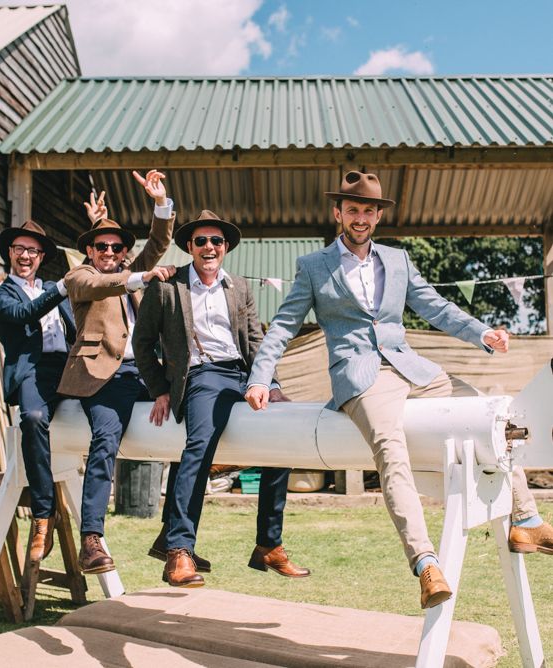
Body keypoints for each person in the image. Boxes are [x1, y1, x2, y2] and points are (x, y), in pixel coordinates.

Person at [245, 171, 553, 609]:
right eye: (353, 209)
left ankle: (527, 520)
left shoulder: (398, 259)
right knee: (391, 451)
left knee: (490, 415)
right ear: (338, 212)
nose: (361, 217)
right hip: (360, 377)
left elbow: (436, 307)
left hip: (413, 368)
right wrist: (260, 376)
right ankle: (425, 562)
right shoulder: (313, 266)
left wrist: (482, 332)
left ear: (377, 215)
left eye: (368, 210)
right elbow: (282, 326)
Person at [133, 210, 310, 587]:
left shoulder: (240, 286)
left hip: (243, 375)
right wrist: (159, 389)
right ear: (190, 247)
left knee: (285, 435)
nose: (209, 247)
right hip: (202, 375)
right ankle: (178, 550)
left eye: (216, 241)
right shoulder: (167, 286)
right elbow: (142, 344)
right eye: (201, 241)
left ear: (225, 247)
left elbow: (254, 340)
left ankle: (269, 544)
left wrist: (269, 381)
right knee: (198, 447)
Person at [58, 169, 177, 575]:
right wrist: (142, 275)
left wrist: (161, 202)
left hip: (145, 375)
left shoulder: (129, 270)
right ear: (89, 252)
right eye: (101, 246)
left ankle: (173, 536)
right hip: (102, 376)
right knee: (106, 439)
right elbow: (103, 285)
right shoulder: (80, 276)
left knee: (194, 422)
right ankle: (91, 539)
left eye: (115, 247)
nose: (108, 251)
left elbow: (160, 242)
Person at [0, 219, 77, 563]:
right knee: (34, 418)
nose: (26, 255)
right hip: (33, 371)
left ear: (41, 256)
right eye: (20, 249)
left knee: (115, 403)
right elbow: (25, 313)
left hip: (68, 369)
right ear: (10, 253)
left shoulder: (54, 287)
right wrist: (62, 289)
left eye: (33, 250)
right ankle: (42, 517)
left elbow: (76, 326)